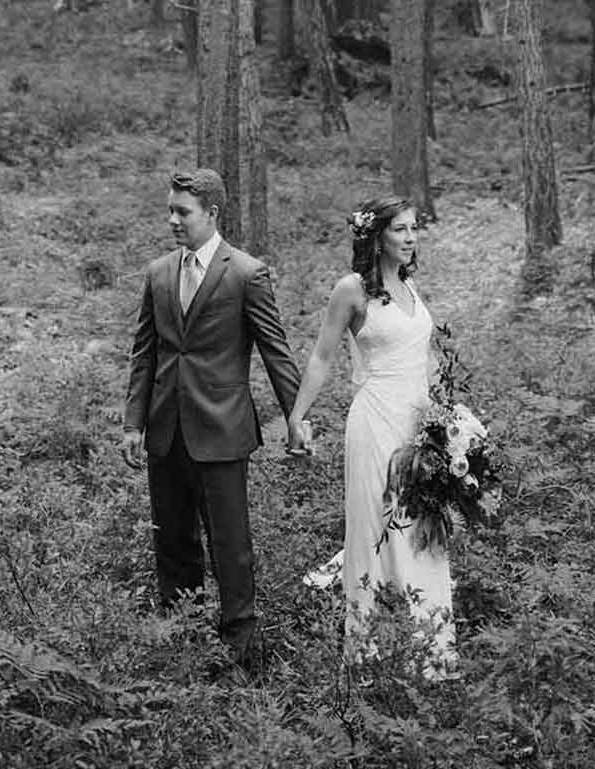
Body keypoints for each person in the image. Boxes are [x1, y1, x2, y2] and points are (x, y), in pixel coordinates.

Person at [122, 169, 303, 672]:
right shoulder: (159, 272)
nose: (173, 220)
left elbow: (275, 350)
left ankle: (240, 650)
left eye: (183, 212)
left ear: (213, 214)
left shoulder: (246, 273)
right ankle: (180, 639)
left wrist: (297, 417)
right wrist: (133, 424)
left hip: (222, 430)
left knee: (229, 544)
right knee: (172, 541)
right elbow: (144, 353)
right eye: (170, 210)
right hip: (165, 430)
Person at [287, 197, 457, 680]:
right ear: (376, 235)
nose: (411, 237)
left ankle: (429, 653)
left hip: (419, 426)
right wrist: (298, 416)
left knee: (424, 531)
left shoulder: (409, 286)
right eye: (400, 229)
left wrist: (448, 418)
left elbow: (424, 358)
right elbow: (322, 356)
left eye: (414, 228)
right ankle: (369, 654)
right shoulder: (352, 289)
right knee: (375, 527)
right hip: (375, 420)